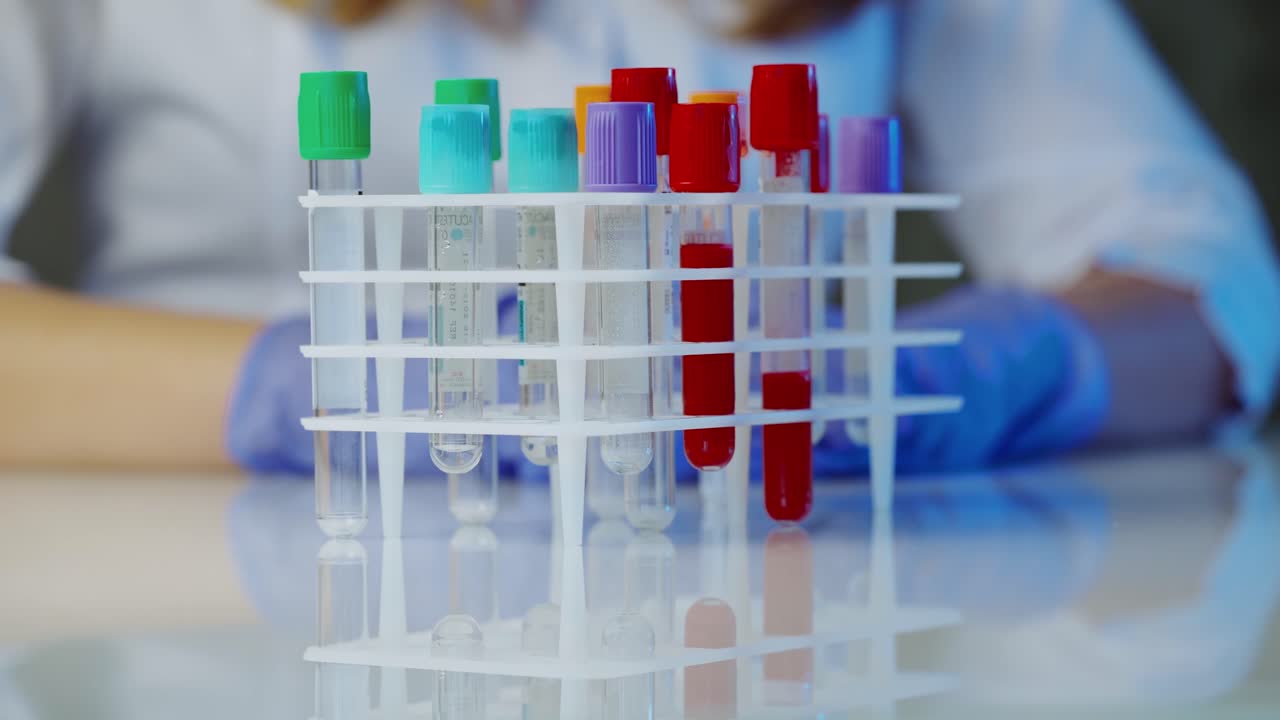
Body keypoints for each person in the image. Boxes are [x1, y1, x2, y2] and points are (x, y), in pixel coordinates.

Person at [1, 0, 1276, 473]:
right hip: (219, 588)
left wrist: (971, 374)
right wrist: (327, 388)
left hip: (753, 572)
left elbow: (1209, 279)